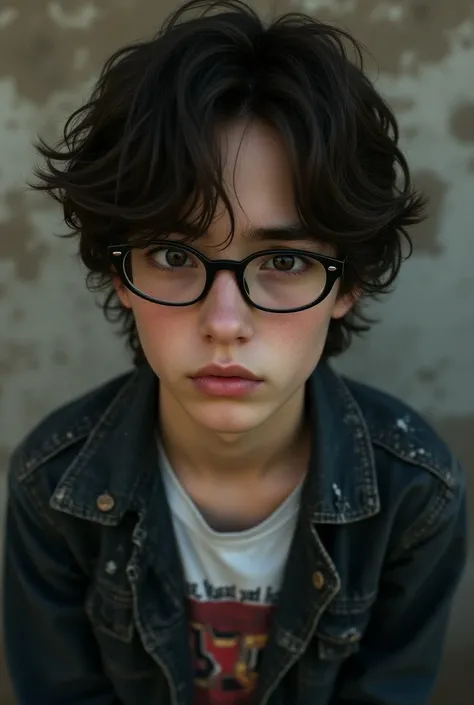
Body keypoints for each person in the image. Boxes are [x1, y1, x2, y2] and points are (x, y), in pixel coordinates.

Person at [2, 1, 467, 704]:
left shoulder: (415, 496)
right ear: (118, 273)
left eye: (281, 259)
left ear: (349, 284)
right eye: (172, 253)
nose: (225, 321)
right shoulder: (55, 487)